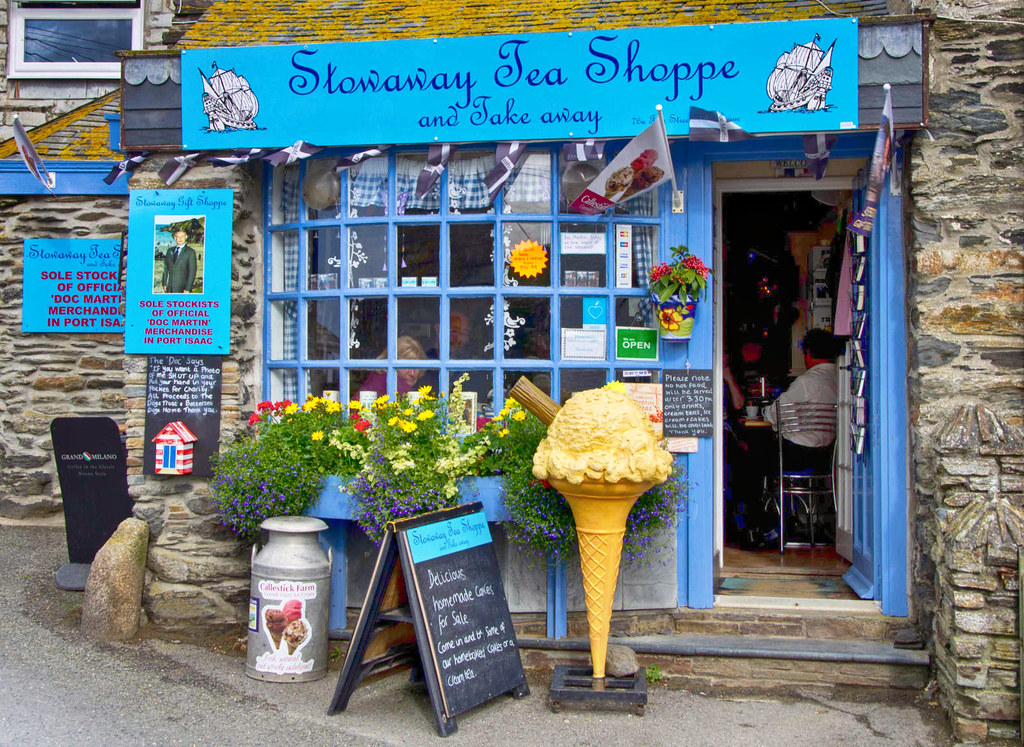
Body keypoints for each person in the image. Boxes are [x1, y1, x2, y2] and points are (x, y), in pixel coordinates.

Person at [763, 328, 838, 471]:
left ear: (807, 353)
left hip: (798, 455)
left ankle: (771, 491)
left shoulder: (807, 382)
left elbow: (774, 414)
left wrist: (764, 411)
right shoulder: (841, 379)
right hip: (829, 456)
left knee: (758, 448)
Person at [358, 335, 427, 399]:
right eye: (406, 366)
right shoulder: (396, 385)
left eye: (416, 366)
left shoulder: (376, 378)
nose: (412, 373)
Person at [162, 229, 198, 293]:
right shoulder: (170, 250)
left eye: (182, 236)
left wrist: (188, 288)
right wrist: (164, 283)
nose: (180, 239)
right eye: (178, 237)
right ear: (175, 238)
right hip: (169, 287)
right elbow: (166, 268)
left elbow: (192, 271)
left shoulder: (190, 252)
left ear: (186, 237)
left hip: (182, 287)